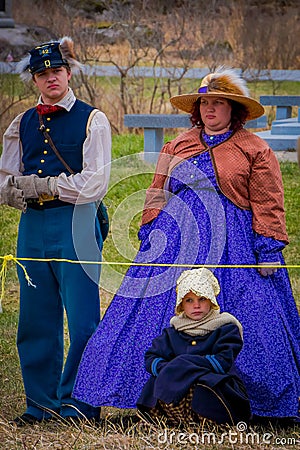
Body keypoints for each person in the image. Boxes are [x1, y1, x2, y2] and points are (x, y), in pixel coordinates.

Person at [73, 67, 299, 423]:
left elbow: (268, 200)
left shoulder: (254, 149)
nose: (210, 109)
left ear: (234, 109)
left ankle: (257, 405)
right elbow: (157, 192)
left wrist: (268, 248)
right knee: (147, 314)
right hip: (177, 239)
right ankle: (146, 398)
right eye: (204, 103)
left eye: (218, 103)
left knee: (252, 313)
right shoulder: (178, 145)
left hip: (235, 243)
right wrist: (150, 236)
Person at [0, 37, 111, 426]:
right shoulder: (22, 122)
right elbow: (5, 177)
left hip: (76, 221)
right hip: (33, 225)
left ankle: (78, 403)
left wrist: (48, 185)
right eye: (42, 73)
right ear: (34, 79)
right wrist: (15, 189)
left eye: (56, 71)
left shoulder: (92, 119)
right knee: (35, 318)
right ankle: (40, 404)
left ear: (68, 73)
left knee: (82, 320)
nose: (51, 78)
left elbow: (95, 182)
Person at [137, 267, 251, 427]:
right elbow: (152, 358)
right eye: (189, 300)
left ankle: (209, 422)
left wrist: (183, 365)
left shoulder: (225, 328)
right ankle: (167, 420)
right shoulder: (173, 332)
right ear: (181, 304)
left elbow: (222, 361)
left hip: (212, 384)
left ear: (211, 300)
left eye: (202, 299)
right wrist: (170, 369)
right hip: (176, 383)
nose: (196, 305)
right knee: (160, 380)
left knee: (202, 384)